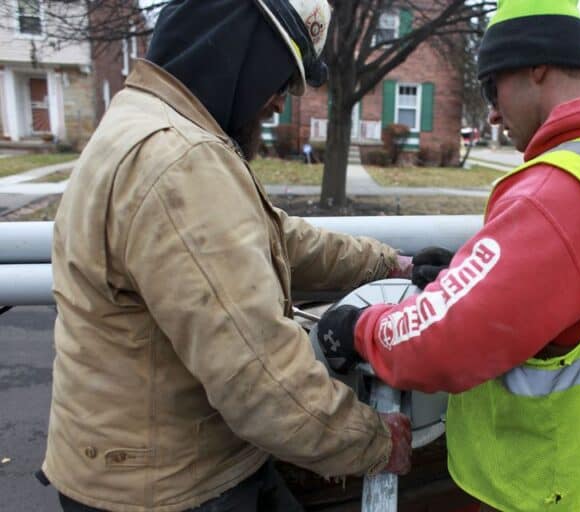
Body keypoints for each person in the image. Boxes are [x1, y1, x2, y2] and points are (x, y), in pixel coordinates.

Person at [317, 0, 580, 510]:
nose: (492, 112)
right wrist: (464, 279)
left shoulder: (562, 189)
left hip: (558, 486)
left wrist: (361, 330)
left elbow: (443, 343)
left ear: (536, 67)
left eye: (492, 86)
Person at [40, 1, 415, 511]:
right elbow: (263, 383)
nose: (280, 104)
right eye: (283, 80)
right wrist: (375, 442)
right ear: (245, 53)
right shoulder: (181, 162)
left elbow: (276, 238)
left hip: (128, 467)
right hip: (175, 489)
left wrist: (385, 262)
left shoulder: (142, 122)